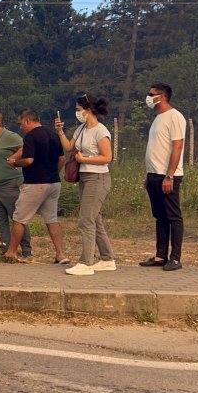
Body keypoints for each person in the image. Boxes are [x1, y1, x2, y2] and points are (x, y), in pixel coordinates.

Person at [56, 95, 116, 276]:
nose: (77, 112)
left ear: (88, 110)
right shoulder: (81, 128)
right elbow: (69, 147)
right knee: (95, 220)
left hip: (98, 179)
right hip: (84, 178)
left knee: (85, 220)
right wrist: (60, 132)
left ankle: (86, 262)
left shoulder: (101, 131)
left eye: (78, 109)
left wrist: (85, 159)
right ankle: (107, 259)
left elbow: (108, 157)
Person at [2, 109, 68, 264]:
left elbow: (29, 160)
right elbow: (62, 159)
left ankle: (11, 252)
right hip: (53, 183)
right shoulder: (53, 135)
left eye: (21, 124)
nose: (21, 128)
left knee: (19, 218)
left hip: (35, 183)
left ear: (27, 121)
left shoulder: (31, 136)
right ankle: (60, 254)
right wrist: (53, 173)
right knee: (52, 219)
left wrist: (15, 163)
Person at [140, 83, 186, 271]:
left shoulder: (175, 117)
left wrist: (170, 175)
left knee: (173, 216)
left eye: (152, 94)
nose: (149, 97)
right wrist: (149, 175)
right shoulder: (158, 118)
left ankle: (175, 258)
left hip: (167, 176)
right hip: (154, 175)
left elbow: (177, 146)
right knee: (160, 217)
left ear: (162, 96)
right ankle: (160, 255)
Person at [0, 110, 31, 257]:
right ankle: (6, 247)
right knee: (0, 218)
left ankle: (26, 249)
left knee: (17, 217)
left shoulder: (10, 136)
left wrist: (14, 159)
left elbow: (26, 147)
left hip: (10, 184)